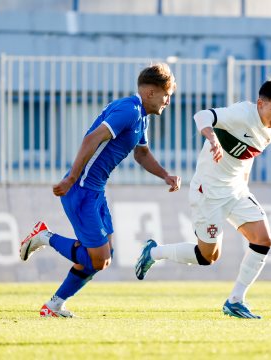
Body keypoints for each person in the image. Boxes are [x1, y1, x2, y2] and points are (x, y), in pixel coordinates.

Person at [19, 63, 181, 317]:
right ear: (151, 92)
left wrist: (165, 175)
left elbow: (142, 153)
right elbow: (91, 138)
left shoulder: (140, 117)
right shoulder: (128, 110)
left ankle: (54, 305)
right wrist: (71, 178)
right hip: (81, 188)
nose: (168, 101)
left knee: (104, 256)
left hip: (95, 190)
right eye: (167, 94)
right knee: (97, 258)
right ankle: (44, 236)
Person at [135, 79, 271, 319]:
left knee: (263, 240)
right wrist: (212, 138)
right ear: (260, 104)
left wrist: (244, 187)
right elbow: (201, 116)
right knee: (207, 256)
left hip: (236, 191)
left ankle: (236, 300)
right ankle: (154, 252)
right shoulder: (242, 113)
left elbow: (246, 158)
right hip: (208, 192)